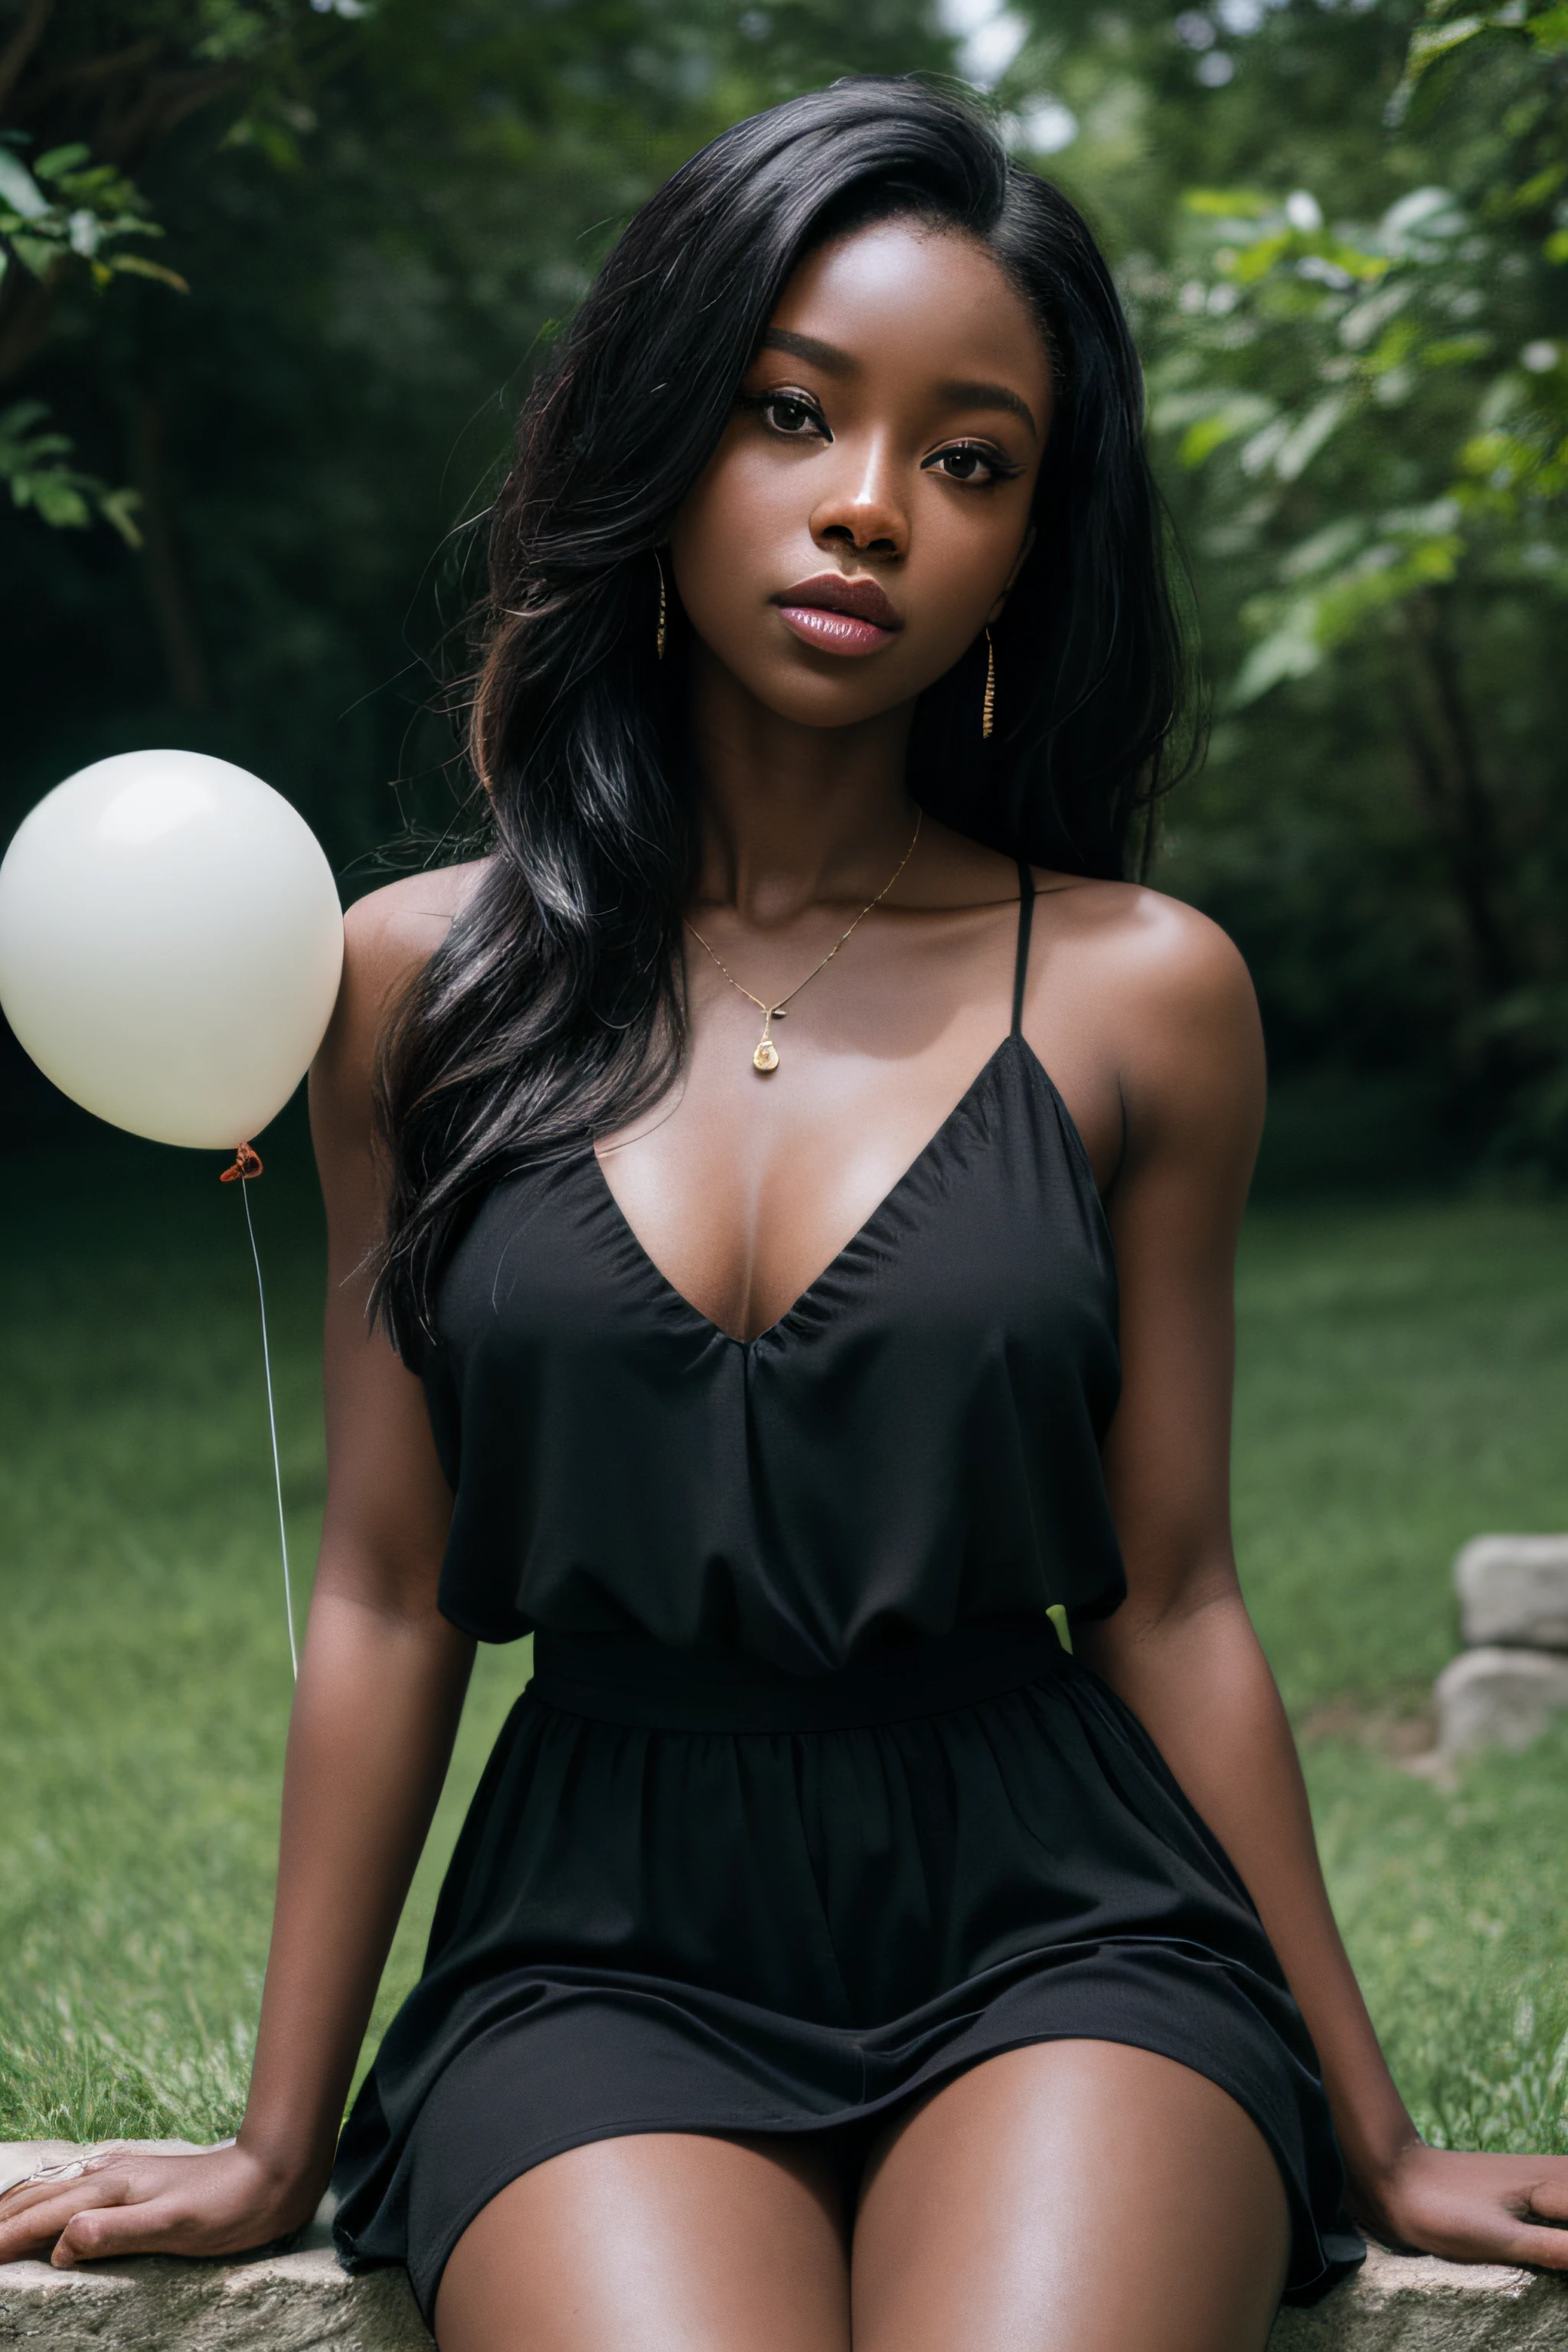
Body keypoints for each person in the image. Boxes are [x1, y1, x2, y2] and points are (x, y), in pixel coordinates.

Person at [3, 77, 1566, 2352]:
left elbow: (1177, 1594)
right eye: (789, 413)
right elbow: (384, 1581)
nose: (866, 511)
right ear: (663, 446)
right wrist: (272, 2137)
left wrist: (1382, 2127)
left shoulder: (1144, 992)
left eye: (967, 459)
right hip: (599, 1934)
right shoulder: (407, 986)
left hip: (1069, 1923)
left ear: (1036, 539)